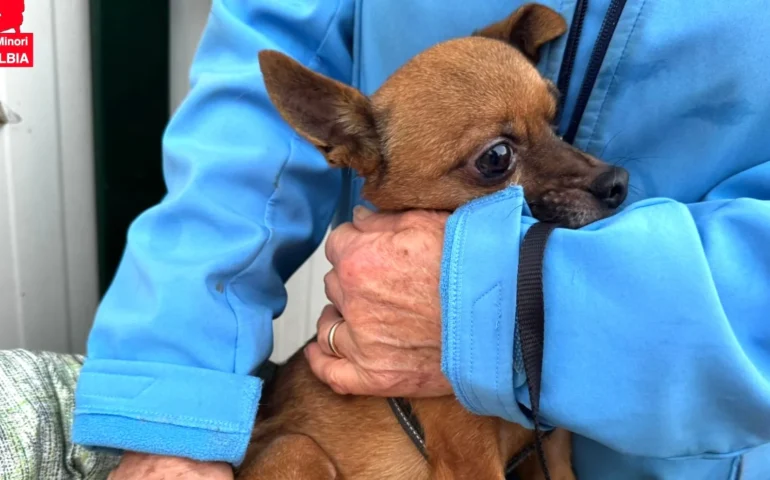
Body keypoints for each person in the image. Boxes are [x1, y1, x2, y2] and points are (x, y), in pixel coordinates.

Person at [42, 0, 770, 478]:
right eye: (495, 159)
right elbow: (261, 82)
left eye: (541, 127)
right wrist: (173, 400)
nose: (601, 179)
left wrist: (501, 309)